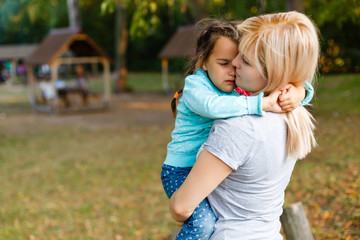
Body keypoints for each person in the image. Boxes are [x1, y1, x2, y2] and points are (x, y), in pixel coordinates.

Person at [169, 11, 319, 239]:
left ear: (274, 73)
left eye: (245, 60)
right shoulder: (291, 114)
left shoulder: (239, 128)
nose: (235, 63)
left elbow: (181, 207)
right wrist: (298, 90)